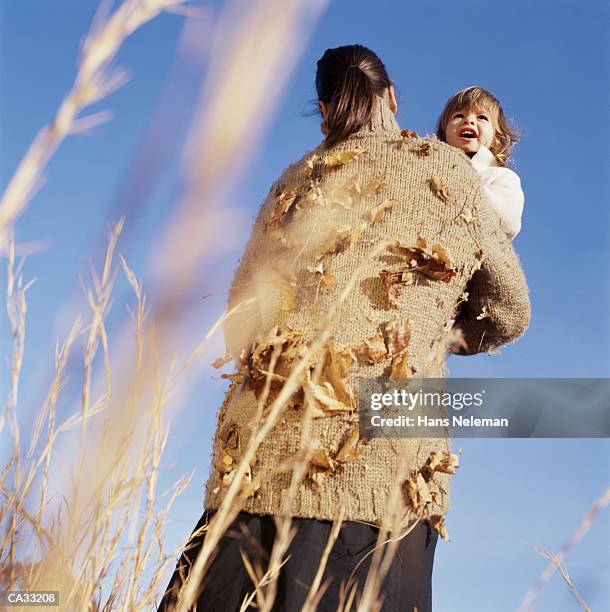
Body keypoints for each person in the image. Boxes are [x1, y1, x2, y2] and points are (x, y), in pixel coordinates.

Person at [158, 45, 530, 612]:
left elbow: (241, 319)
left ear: (325, 109)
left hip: (259, 466)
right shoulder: (449, 171)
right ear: (394, 100)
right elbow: (509, 311)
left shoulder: (292, 183)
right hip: (381, 475)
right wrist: (436, 325)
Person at [436, 86, 524, 239]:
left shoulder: (501, 177)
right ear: (444, 134)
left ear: (497, 139)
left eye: (482, 117)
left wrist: (462, 173)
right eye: (458, 115)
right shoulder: (433, 167)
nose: (468, 120)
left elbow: (508, 221)